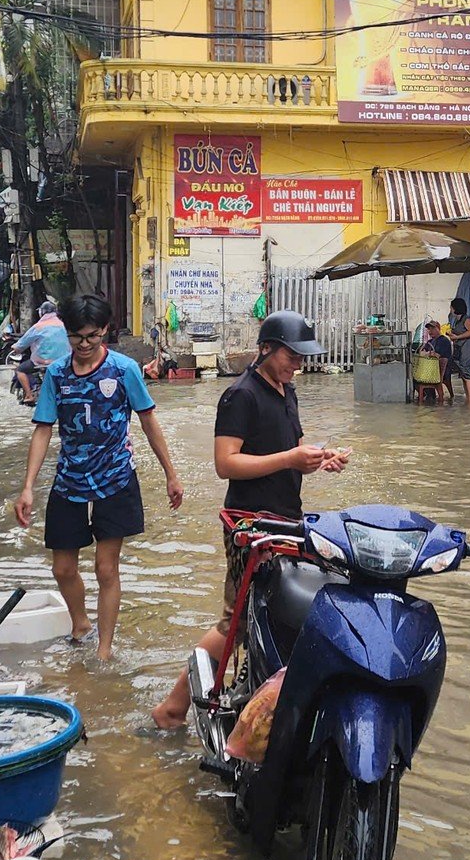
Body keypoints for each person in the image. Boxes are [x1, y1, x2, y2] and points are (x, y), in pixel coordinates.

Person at [149, 310, 348, 729]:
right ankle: (173, 706)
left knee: (283, 614)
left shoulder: (286, 390)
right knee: (236, 622)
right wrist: (292, 458)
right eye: (291, 355)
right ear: (265, 349)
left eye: (301, 357)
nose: (298, 363)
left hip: (286, 520)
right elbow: (226, 464)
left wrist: (317, 459)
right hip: (249, 526)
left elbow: (288, 448)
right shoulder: (241, 395)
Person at [13, 294, 183, 660]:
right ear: (67, 334)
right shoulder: (57, 374)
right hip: (69, 480)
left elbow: (148, 420)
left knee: (106, 568)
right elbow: (43, 429)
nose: (85, 345)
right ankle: (80, 625)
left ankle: (104, 650)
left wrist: (171, 474)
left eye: (92, 336)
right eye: (77, 337)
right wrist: (27, 487)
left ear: (105, 330)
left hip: (116, 478)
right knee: (62, 568)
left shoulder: (124, 370)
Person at [10, 304, 69, 403]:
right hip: (64, 361)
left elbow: (21, 344)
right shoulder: (64, 326)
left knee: (20, 370)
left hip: (42, 361)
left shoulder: (38, 326)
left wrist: (15, 348)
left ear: (42, 312)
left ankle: (29, 396)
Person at [446, 296, 470, 406]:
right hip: (460, 352)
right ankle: (468, 400)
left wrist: (457, 338)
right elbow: (459, 334)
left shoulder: (467, 319)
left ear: (456, 308)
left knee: (468, 376)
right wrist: (452, 336)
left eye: (451, 307)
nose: (450, 309)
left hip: (468, 352)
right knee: (464, 376)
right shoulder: (457, 321)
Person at [420, 319, 457, 402]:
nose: (430, 331)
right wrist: (427, 353)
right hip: (430, 369)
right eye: (429, 329)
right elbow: (422, 352)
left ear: (438, 328)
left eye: (432, 328)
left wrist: (429, 354)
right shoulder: (430, 342)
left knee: (424, 378)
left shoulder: (444, 341)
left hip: (442, 371)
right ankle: (427, 396)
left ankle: (430, 398)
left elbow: (438, 356)